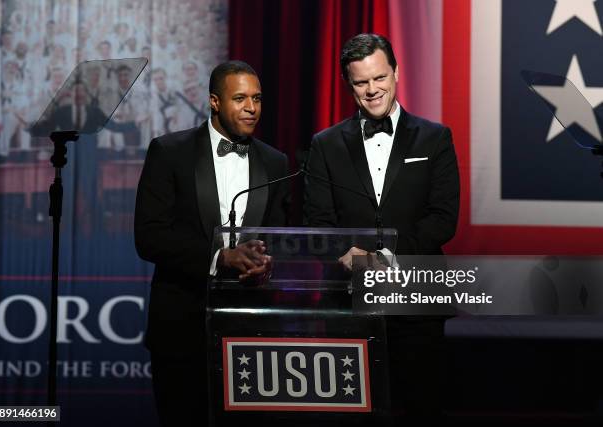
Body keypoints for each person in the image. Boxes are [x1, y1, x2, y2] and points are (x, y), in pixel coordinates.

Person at [304, 33, 460, 425]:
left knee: (423, 410)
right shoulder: (325, 145)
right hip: (349, 303)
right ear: (348, 85)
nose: (372, 90)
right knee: (356, 414)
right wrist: (343, 254)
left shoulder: (435, 137)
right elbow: (317, 223)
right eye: (361, 82)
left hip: (419, 300)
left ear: (396, 73)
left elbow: (442, 219)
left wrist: (382, 257)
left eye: (379, 78)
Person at [134, 60, 290, 427]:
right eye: (240, 98)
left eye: (257, 98)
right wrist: (221, 257)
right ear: (214, 102)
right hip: (181, 326)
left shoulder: (276, 161)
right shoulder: (169, 152)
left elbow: (280, 237)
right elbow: (150, 236)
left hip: (250, 327)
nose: (251, 108)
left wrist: (267, 263)